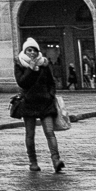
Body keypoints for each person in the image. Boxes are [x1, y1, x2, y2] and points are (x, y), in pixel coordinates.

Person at [14, 38, 63, 172]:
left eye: (34, 50)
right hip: (28, 103)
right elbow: (22, 83)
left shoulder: (44, 64)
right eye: (29, 50)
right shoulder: (20, 64)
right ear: (25, 51)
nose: (32, 52)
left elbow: (51, 82)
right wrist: (30, 69)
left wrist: (50, 95)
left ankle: (56, 160)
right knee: (30, 134)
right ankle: (33, 162)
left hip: (45, 103)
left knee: (49, 132)